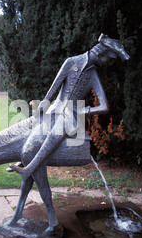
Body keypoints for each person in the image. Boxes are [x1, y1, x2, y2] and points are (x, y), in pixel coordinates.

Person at [8, 33, 130, 180]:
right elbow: (55, 85)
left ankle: (29, 168)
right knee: (33, 127)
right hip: (55, 108)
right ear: (101, 52)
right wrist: (44, 103)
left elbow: (105, 107)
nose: (109, 64)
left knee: (57, 130)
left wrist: (82, 111)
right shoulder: (71, 62)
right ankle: (23, 159)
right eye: (110, 60)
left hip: (70, 116)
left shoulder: (93, 76)